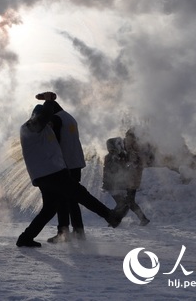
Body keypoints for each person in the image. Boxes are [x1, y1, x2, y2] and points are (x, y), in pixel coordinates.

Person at [16, 105, 120, 248]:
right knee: (80, 194)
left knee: (50, 209)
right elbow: (45, 114)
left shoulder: (44, 129)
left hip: (47, 174)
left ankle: (25, 238)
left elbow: (53, 117)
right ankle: (110, 216)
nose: (50, 122)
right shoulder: (29, 127)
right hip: (51, 173)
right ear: (37, 116)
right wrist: (49, 101)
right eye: (47, 119)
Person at [35, 92, 88, 242]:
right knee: (73, 198)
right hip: (76, 163)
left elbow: (54, 142)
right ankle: (78, 232)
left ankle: (63, 233)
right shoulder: (68, 117)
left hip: (64, 165)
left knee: (61, 200)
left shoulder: (56, 119)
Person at [102, 136, 150, 225]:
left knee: (125, 204)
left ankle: (114, 220)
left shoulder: (123, 155)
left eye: (113, 149)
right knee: (124, 204)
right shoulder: (109, 157)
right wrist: (105, 184)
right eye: (111, 149)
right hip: (113, 185)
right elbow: (107, 172)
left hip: (123, 184)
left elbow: (129, 166)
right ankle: (113, 219)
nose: (112, 151)